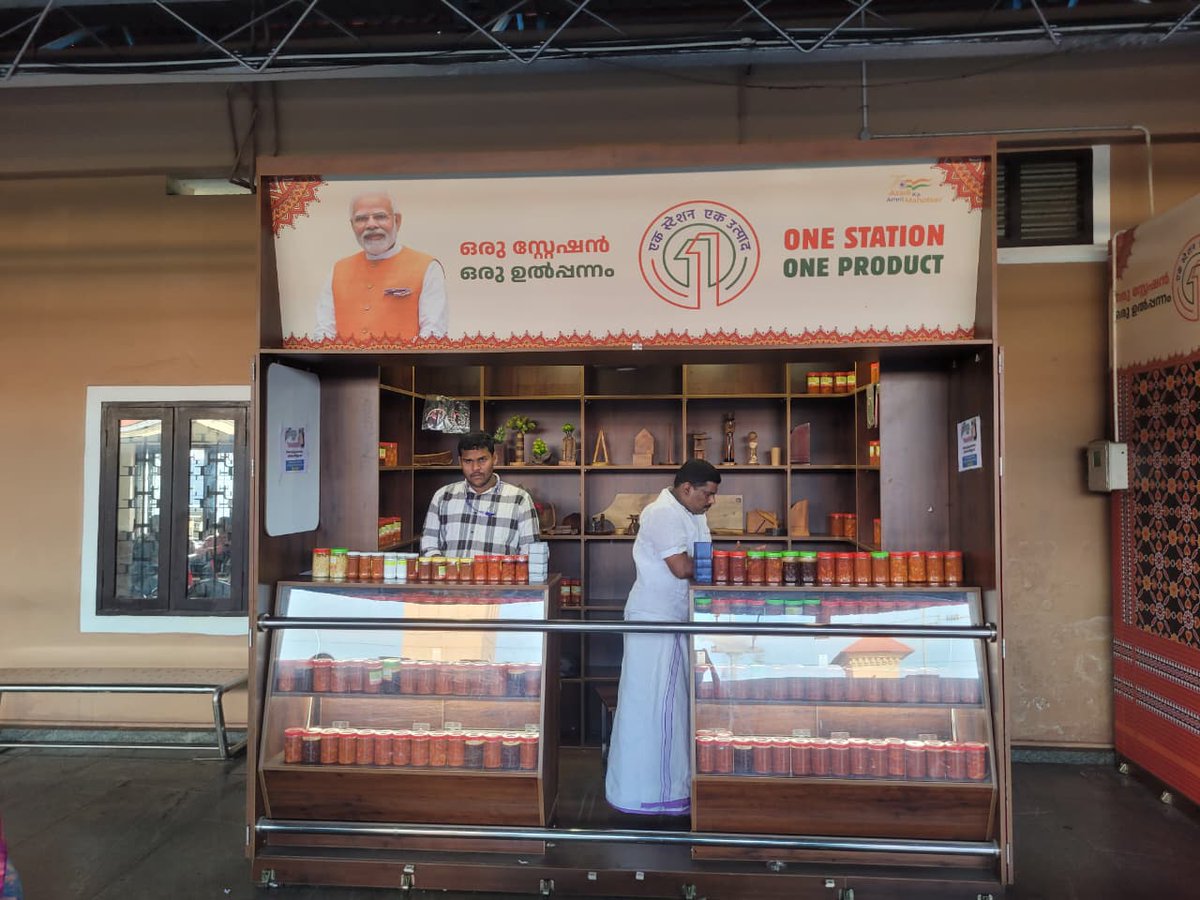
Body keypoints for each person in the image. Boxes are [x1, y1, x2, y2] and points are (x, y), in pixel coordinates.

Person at [605, 459, 720, 816]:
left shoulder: (692, 513)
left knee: (665, 708)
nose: (712, 501)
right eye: (708, 493)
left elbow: (699, 560)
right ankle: (656, 797)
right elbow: (683, 567)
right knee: (657, 709)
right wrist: (728, 565)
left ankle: (664, 792)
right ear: (687, 488)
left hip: (675, 619)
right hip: (657, 620)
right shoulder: (662, 513)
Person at [314, 191, 448, 342]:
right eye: (361, 219)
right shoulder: (338, 269)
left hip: (405, 364)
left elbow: (433, 333)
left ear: (397, 221)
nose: (371, 225)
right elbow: (323, 332)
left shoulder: (427, 267)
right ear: (352, 225)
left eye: (380, 216)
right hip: (344, 365)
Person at [420, 431, 539, 557]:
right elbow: (428, 547)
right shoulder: (443, 497)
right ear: (460, 462)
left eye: (482, 460)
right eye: (468, 461)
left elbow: (531, 554)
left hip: (500, 576)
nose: (475, 468)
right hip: (449, 576)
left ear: (495, 458)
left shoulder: (519, 500)